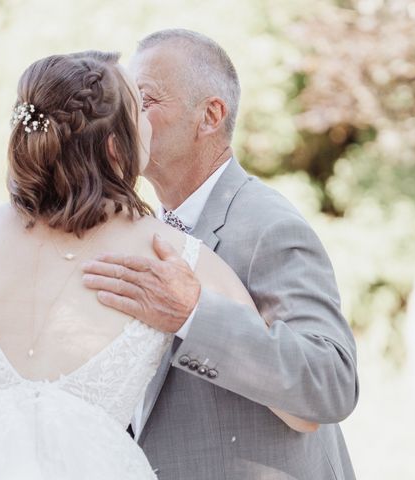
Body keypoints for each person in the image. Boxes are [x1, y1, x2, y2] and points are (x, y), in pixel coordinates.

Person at [0, 49, 314, 479]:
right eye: (139, 110)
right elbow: (302, 412)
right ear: (115, 146)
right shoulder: (174, 255)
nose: (147, 121)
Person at [82, 29, 359, 479]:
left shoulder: (269, 226)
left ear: (210, 116)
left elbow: (330, 383)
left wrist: (194, 315)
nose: (124, 120)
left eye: (144, 101)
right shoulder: (132, 230)